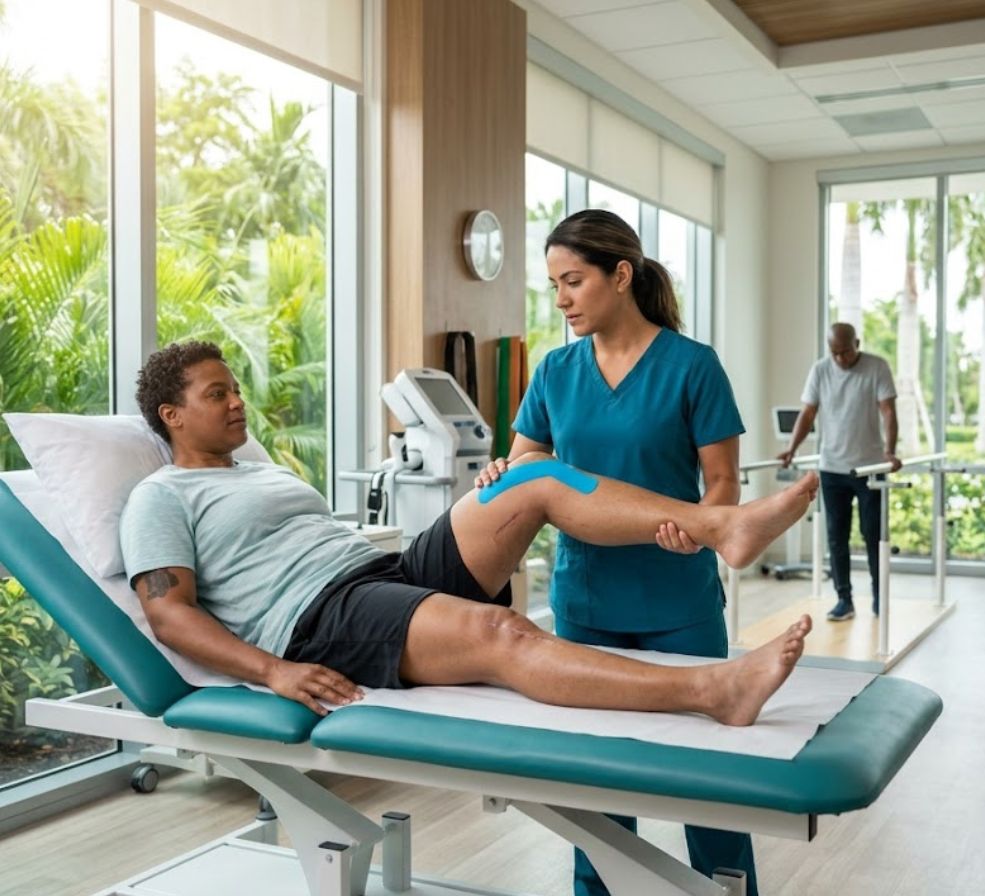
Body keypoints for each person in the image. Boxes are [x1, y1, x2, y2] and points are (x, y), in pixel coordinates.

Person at [121, 340, 819, 735]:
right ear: (172, 415)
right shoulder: (159, 496)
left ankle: (721, 525)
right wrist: (274, 671)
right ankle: (711, 691)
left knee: (531, 475)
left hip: (381, 574)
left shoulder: (261, 471)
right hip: (319, 619)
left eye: (234, 386)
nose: (237, 399)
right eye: (217, 394)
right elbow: (168, 613)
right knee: (502, 631)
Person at [476, 209, 751, 896]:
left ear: (620, 275)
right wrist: (499, 474)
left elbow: (721, 482)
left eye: (573, 281)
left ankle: (729, 885)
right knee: (596, 782)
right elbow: (529, 461)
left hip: (678, 600)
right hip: (586, 598)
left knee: (702, 774)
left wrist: (704, 524)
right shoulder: (557, 370)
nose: (561, 298)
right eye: (553, 286)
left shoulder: (693, 366)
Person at [778, 322, 900, 621]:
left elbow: (888, 411)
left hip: (870, 468)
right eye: (835, 353)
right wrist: (792, 449)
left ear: (857, 343)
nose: (841, 359)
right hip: (832, 468)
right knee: (836, 538)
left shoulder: (877, 367)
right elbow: (808, 412)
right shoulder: (820, 370)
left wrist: (891, 452)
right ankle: (844, 599)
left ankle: (879, 597)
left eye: (846, 351)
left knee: (874, 536)